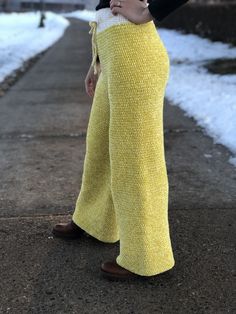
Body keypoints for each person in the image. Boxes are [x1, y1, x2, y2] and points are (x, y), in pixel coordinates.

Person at [52, 0, 190, 280]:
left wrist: (150, 11)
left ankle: (148, 256)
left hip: (134, 55)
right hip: (115, 56)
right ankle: (95, 221)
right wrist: (98, 61)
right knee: (100, 145)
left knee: (136, 158)